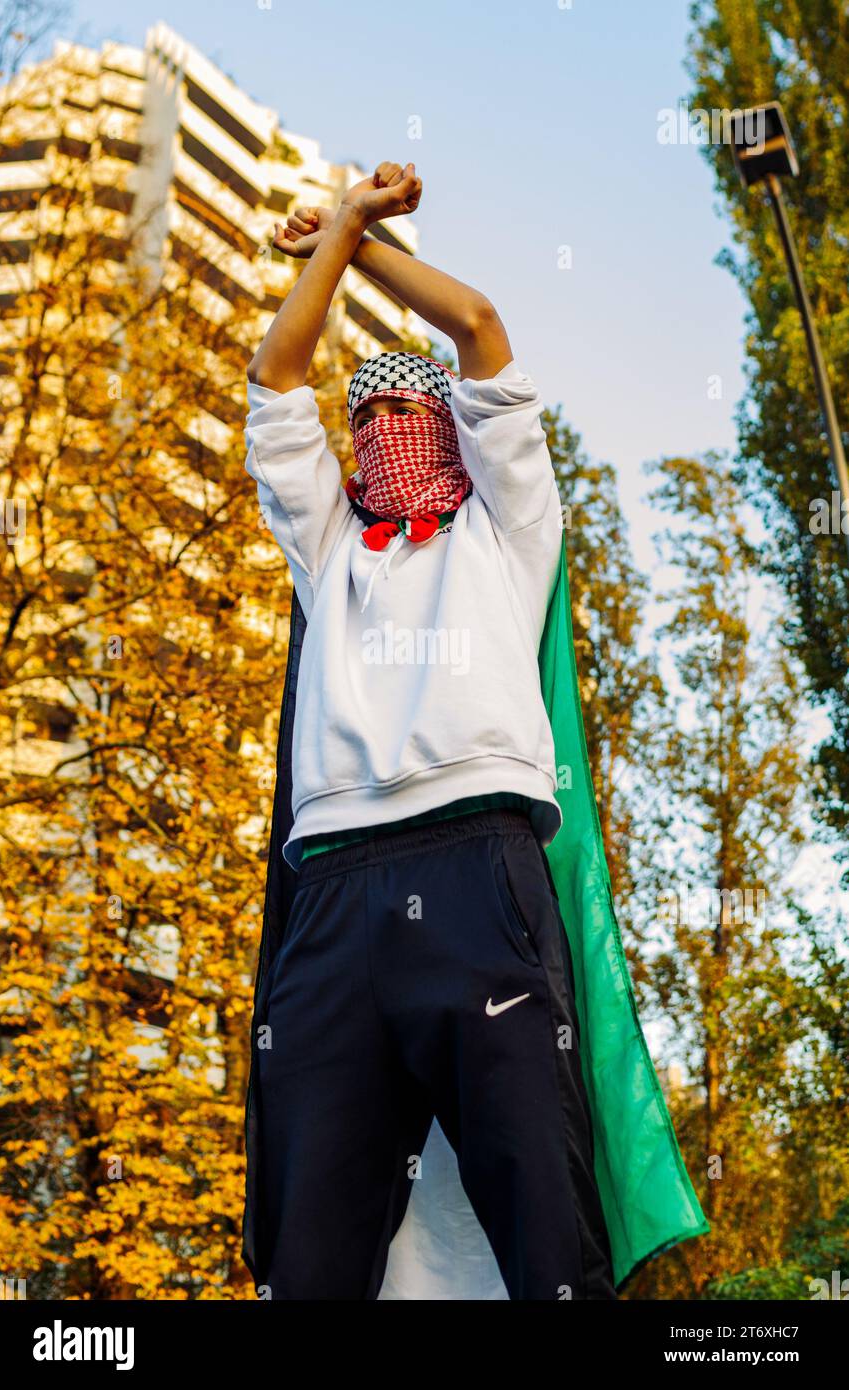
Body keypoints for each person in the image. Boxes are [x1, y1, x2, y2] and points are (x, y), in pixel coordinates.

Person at [242, 159, 619, 1300]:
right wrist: (332, 245)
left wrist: (350, 239)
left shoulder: (505, 531)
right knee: (312, 1247)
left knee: (543, 1222)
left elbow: (479, 324)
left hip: (475, 868)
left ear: (448, 425)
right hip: (331, 894)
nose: (382, 429)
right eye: (365, 418)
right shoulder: (329, 551)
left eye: (406, 411)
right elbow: (275, 377)